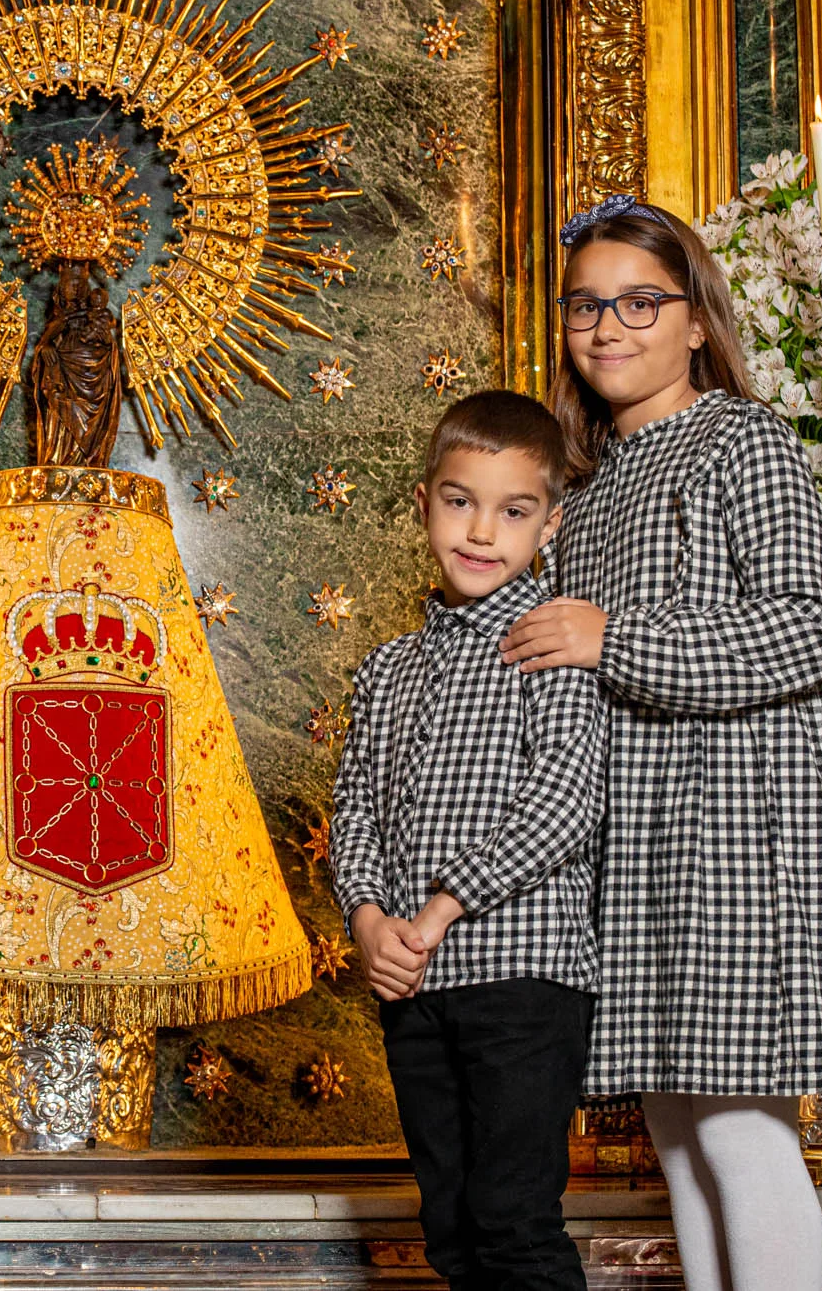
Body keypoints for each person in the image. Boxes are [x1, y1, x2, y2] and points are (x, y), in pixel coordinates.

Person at [500, 195, 822, 1291]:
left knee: (735, 1131)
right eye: (585, 306)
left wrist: (612, 637)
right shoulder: (587, 484)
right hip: (635, 831)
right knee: (675, 1133)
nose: (607, 327)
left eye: (638, 303)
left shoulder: (741, 439)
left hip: (734, 821)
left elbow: (804, 626)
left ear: (695, 322)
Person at [331, 390, 608, 1291]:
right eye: (460, 501)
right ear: (424, 504)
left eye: (512, 510)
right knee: (450, 1224)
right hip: (412, 984)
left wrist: (443, 905)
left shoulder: (551, 646)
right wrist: (371, 920)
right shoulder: (388, 667)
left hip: (521, 981)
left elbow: (565, 801)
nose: (482, 531)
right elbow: (357, 809)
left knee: (513, 1220)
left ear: (547, 524)